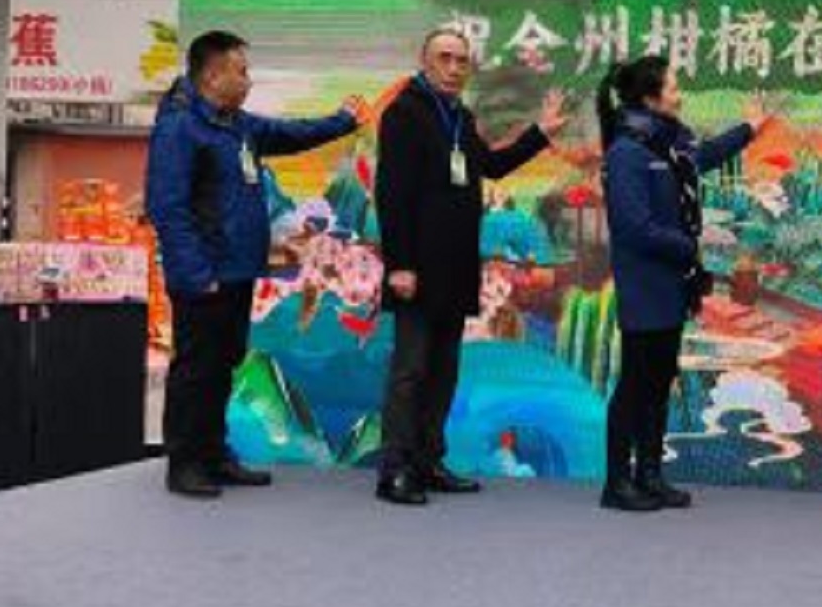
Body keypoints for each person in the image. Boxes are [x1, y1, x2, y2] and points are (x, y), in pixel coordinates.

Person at [146, 30, 366, 498]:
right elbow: (167, 207)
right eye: (241, 71)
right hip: (204, 277)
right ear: (213, 75)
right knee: (195, 369)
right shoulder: (180, 127)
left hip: (237, 271)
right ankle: (185, 463)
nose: (249, 80)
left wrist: (343, 121)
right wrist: (196, 275)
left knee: (223, 365)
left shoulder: (238, 125)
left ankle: (214, 454)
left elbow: (290, 134)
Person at [373, 26, 567, 506]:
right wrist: (399, 264)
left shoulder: (460, 116)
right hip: (416, 268)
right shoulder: (404, 114)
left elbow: (491, 167)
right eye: (445, 58)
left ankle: (428, 461)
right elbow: (391, 192)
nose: (455, 68)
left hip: (456, 267)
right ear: (425, 61)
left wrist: (540, 133)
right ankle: (395, 469)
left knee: (443, 371)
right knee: (410, 371)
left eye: (462, 61)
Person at [597, 55, 768, 513]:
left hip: (673, 286)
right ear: (650, 97)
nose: (680, 95)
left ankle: (650, 475)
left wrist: (748, 129)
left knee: (658, 383)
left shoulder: (669, 145)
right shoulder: (628, 152)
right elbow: (634, 227)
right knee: (635, 385)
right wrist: (690, 244)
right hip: (645, 288)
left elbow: (702, 157)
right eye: (673, 87)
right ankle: (617, 482)